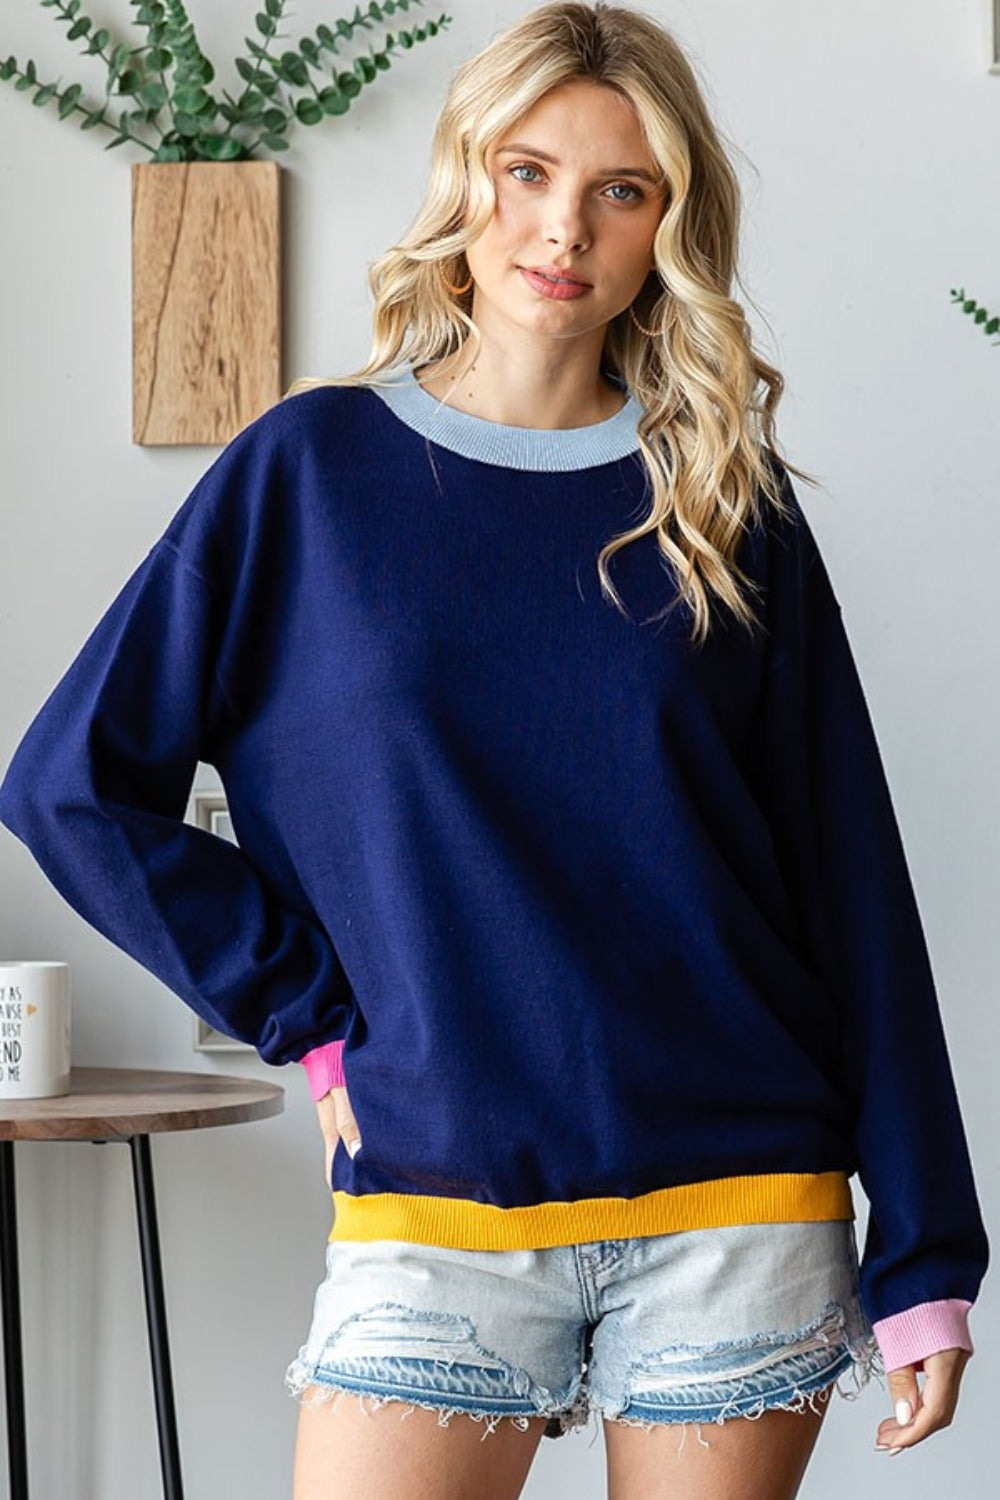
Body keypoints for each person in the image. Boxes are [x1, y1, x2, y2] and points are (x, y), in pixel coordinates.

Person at [0, 3, 988, 1497]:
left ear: (670, 227)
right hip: (432, 1205)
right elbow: (67, 785)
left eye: (621, 190)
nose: (563, 230)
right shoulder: (308, 476)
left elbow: (854, 882)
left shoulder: (723, 498)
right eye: (527, 172)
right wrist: (308, 1012)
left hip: (738, 1207)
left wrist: (926, 1247)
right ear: (466, 178)